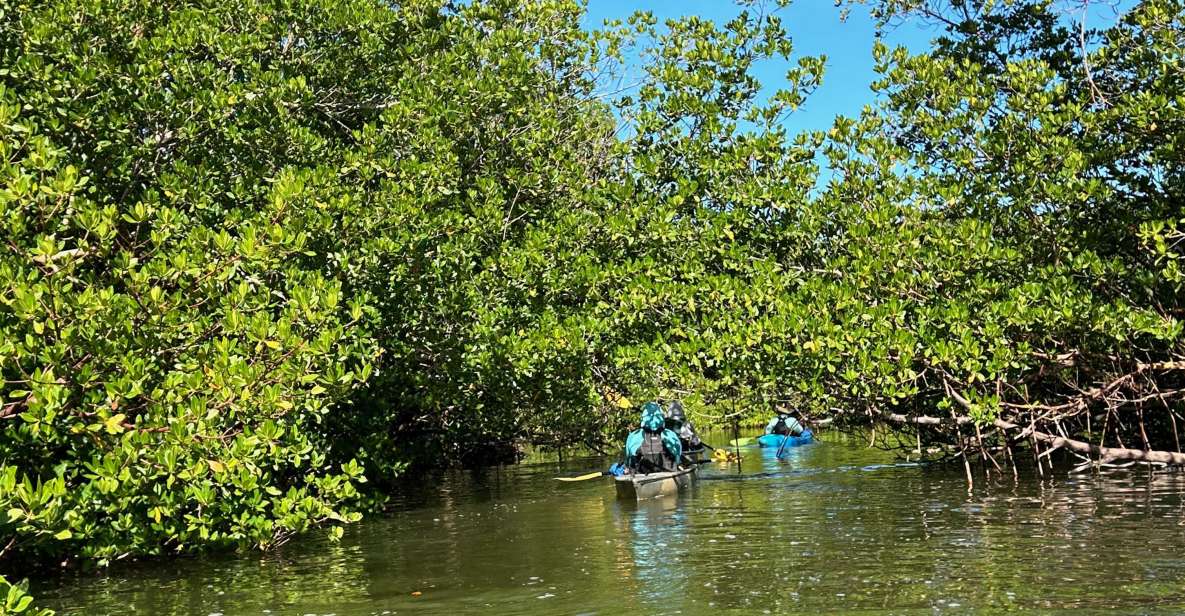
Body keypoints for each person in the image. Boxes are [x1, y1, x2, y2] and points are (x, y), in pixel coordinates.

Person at [624, 401, 683, 473]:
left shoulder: (633, 436)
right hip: (667, 471)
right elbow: (677, 458)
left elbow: (628, 460)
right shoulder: (670, 434)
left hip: (641, 474)